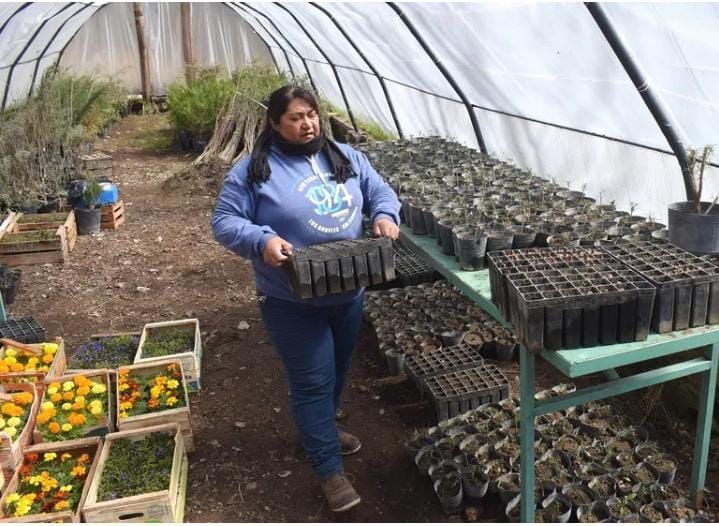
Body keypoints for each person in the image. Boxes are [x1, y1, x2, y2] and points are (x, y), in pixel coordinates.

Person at [211, 85, 401, 512]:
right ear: (275, 124)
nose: (307, 124)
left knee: (335, 370)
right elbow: (223, 221)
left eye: (311, 114)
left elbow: (381, 193)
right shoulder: (253, 170)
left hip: (348, 288)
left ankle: (321, 432)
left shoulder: (347, 157)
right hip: (290, 299)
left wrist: (386, 216)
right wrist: (261, 239)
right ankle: (329, 470)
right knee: (313, 382)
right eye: (295, 117)